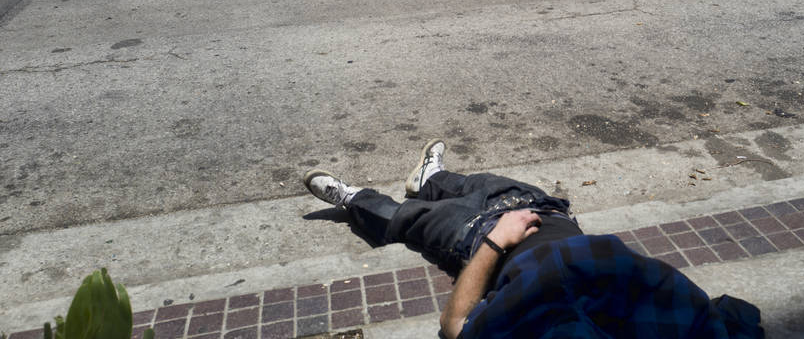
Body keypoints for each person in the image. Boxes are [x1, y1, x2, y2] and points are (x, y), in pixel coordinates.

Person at [304, 139, 764, 339]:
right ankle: (431, 178)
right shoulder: (683, 328)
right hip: (545, 211)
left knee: (408, 220)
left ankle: (354, 199)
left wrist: (496, 241)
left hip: (477, 236)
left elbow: (454, 326)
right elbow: (737, 316)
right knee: (482, 184)